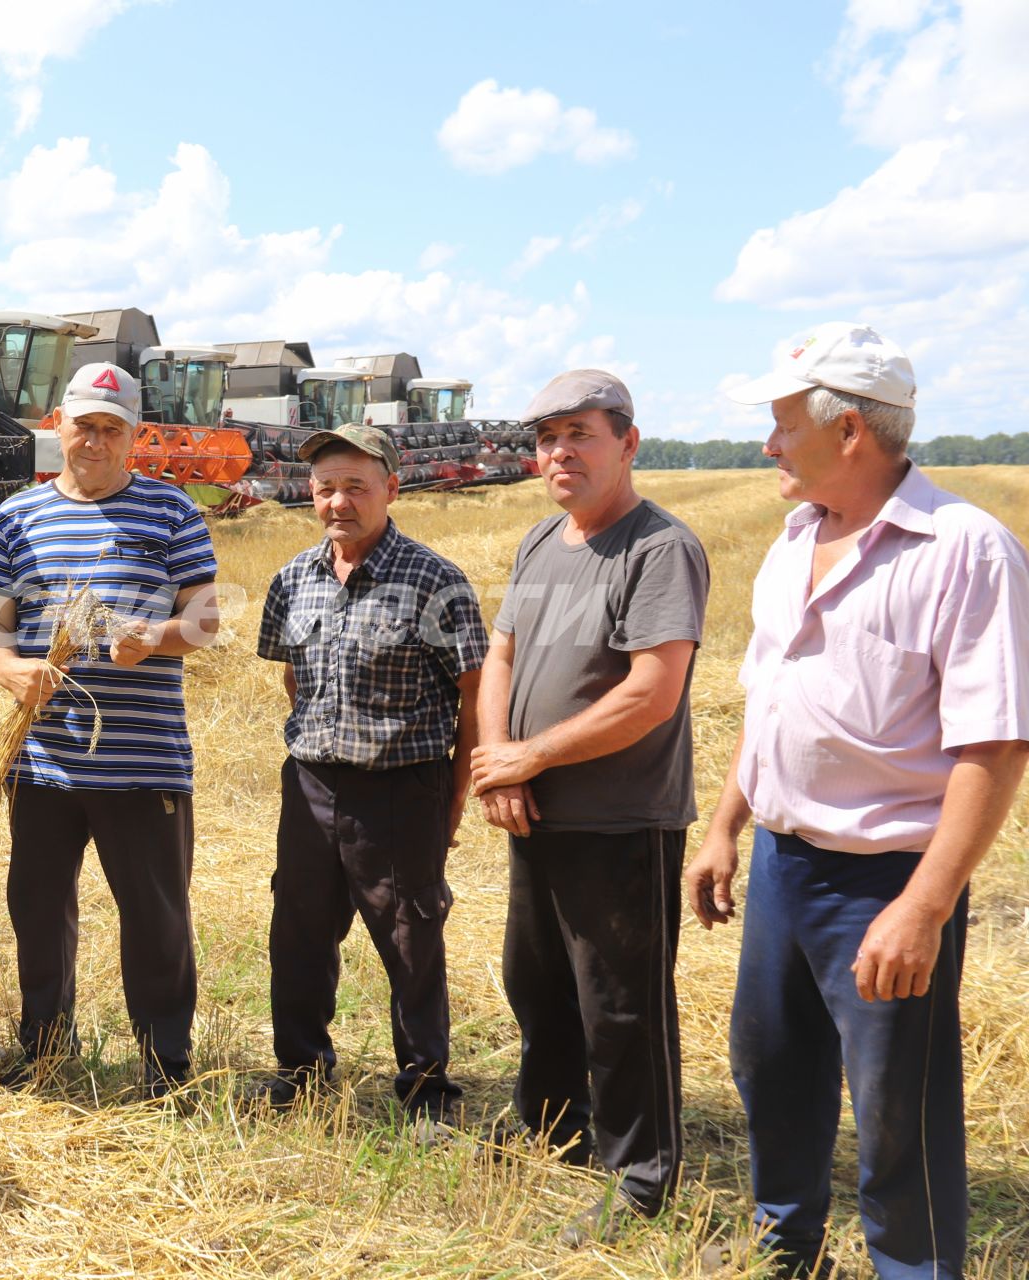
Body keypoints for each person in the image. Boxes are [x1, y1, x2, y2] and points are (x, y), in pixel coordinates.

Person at [686, 323, 1029, 1280]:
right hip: (783, 870)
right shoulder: (793, 544)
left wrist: (923, 905)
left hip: (887, 881)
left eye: (781, 421)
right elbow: (770, 703)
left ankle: (914, 1271)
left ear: (849, 433)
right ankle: (784, 1254)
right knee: (771, 1075)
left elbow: (994, 747)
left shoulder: (965, 550)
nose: (767, 444)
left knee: (897, 1113)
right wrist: (724, 829)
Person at [469, 369, 708, 1242]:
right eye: (546, 438)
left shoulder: (657, 549)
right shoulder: (543, 542)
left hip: (621, 819)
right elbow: (502, 657)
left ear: (628, 443)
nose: (559, 452)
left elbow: (652, 692)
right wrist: (502, 768)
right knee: (540, 986)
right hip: (535, 813)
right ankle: (554, 1129)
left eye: (580, 433)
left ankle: (640, 1176)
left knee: (622, 1004)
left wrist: (527, 756)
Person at [0, 361, 221, 1098]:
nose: (96, 441)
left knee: (155, 917)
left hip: (143, 761)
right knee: (40, 912)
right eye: (85, 425)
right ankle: (45, 1048)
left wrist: (157, 634)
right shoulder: (18, 516)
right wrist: (9, 672)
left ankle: (164, 1065)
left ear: (135, 436)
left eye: (113, 429)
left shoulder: (171, 510)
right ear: (59, 424)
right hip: (44, 761)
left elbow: (206, 619)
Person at [252, 424, 486, 1127]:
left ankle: (426, 1093)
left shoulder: (434, 581)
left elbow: (475, 693)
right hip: (312, 784)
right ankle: (301, 1074)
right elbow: (295, 677)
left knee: (411, 940)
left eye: (356, 486)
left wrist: (452, 797)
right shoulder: (293, 578)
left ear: (391, 487)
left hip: (399, 789)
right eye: (325, 488)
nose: (338, 502)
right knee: (296, 935)